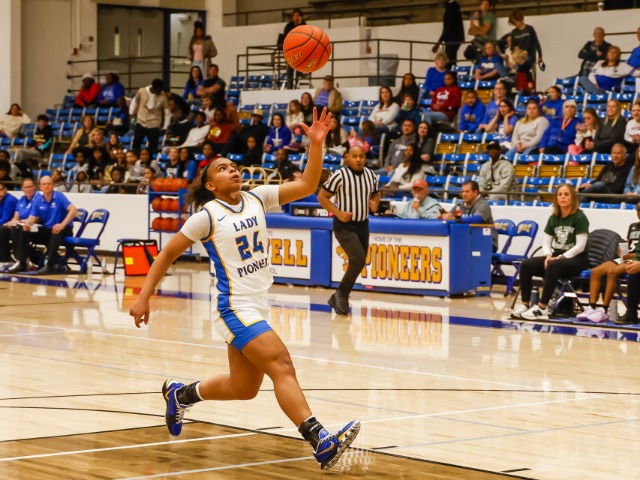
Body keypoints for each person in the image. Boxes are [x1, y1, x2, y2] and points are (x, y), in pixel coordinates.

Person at [129, 108, 360, 470]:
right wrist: (144, 297)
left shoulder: (257, 197)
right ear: (210, 185)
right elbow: (167, 254)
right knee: (282, 365)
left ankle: (181, 393)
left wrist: (316, 144)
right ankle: (320, 440)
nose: (232, 170)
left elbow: (307, 185)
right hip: (233, 307)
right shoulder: (206, 216)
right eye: (222, 169)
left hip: (257, 302)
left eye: (233, 166)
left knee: (244, 388)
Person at [318, 145, 380, 315]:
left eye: (361, 156)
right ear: (348, 158)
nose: (358, 160)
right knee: (358, 259)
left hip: (363, 224)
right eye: (355, 156)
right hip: (344, 225)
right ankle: (342, 294)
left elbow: (375, 194)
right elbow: (322, 197)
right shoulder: (339, 175)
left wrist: (375, 203)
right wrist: (338, 212)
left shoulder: (371, 175)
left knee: (359, 261)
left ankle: (338, 295)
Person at [512, 185, 589, 320]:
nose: (563, 197)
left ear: (573, 197)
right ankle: (525, 304)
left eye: (566, 194)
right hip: (557, 257)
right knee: (526, 264)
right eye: (560, 194)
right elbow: (546, 242)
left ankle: (542, 307)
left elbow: (580, 246)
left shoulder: (579, 217)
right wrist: (548, 255)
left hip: (577, 259)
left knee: (553, 265)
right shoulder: (553, 218)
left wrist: (560, 257)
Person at [578, 206, 640, 323]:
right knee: (596, 271)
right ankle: (591, 307)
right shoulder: (633, 226)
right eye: (638, 210)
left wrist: (629, 256)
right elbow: (628, 244)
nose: (639, 213)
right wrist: (621, 249)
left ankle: (604, 309)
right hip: (625, 257)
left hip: (636, 259)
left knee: (612, 272)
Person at [7, 176, 78, 274]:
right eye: (44, 184)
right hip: (47, 230)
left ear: (52, 185)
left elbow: (73, 210)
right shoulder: (38, 200)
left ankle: (50, 264)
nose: (46, 186)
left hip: (64, 229)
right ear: (40, 187)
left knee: (56, 231)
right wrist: (28, 224)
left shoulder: (59, 196)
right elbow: (32, 217)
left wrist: (62, 224)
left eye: (49, 184)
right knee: (24, 231)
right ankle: (22, 263)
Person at [440, 180, 498, 250]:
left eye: (467, 192)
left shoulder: (483, 204)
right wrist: (444, 216)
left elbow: (476, 220)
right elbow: (450, 216)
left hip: (487, 242)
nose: (464, 194)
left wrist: (454, 219)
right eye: (462, 192)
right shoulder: (460, 205)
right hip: (469, 240)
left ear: (475, 192)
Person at [0, 178, 36, 272]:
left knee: (15, 229)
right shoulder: (22, 199)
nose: (28, 189)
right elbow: (16, 215)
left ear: (34, 187)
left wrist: (20, 221)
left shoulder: (38, 198)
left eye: (30, 187)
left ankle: (21, 261)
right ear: (22, 188)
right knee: (3, 229)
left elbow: (37, 216)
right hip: (20, 225)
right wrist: (14, 221)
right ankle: (5, 261)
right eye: (26, 187)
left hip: (33, 226)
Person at [131, 79, 171, 155]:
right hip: (141, 121)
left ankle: (151, 160)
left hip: (154, 123)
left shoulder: (163, 96)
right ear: (153, 87)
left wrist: (165, 127)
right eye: (158, 89)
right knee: (136, 143)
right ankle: (135, 158)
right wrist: (131, 112)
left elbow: (167, 112)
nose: (160, 91)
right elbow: (135, 100)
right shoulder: (142, 91)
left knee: (153, 146)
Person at [508, 9, 544, 74]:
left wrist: (540, 55)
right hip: (519, 57)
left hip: (529, 55)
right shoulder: (514, 32)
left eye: (515, 22)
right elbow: (513, 47)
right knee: (516, 65)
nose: (515, 24)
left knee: (524, 63)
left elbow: (536, 42)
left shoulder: (529, 29)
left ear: (520, 19)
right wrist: (514, 50)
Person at [432, 0, 464, 69]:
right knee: (451, 59)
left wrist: (439, 42)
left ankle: (451, 74)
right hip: (455, 38)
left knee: (450, 60)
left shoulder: (451, 8)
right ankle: (452, 73)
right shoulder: (454, 7)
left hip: (452, 38)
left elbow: (447, 27)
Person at [282, 9, 306, 89]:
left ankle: (300, 74)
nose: (296, 17)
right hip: (290, 50)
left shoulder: (303, 25)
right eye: (294, 15)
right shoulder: (289, 26)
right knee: (291, 68)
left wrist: (300, 24)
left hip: (301, 50)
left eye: (298, 15)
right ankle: (290, 85)